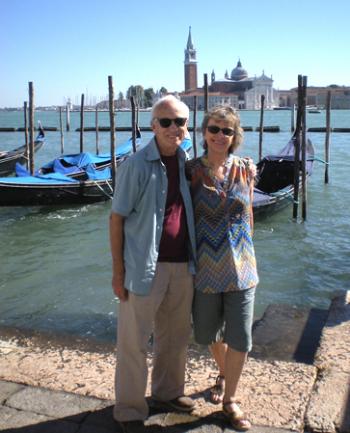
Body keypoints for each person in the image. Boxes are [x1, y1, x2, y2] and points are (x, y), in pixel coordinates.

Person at [109, 95, 197, 432]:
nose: (174, 128)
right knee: (133, 343)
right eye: (166, 122)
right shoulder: (135, 165)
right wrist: (118, 273)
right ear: (153, 126)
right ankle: (130, 409)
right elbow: (116, 219)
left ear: (187, 125)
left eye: (180, 122)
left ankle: (167, 393)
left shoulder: (189, 161)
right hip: (145, 267)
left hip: (183, 264)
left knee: (174, 338)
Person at [186, 105, 258, 431]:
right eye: (214, 129)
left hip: (242, 268)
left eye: (226, 130)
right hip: (205, 267)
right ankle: (226, 372)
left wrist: (248, 250)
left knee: (240, 338)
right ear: (204, 132)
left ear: (234, 136)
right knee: (206, 333)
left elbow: (249, 213)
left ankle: (230, 399)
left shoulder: (245, 168)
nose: (219, 135)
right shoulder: (190, 171)